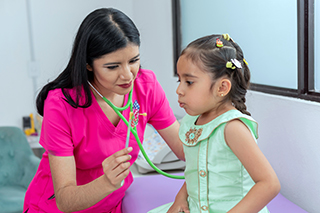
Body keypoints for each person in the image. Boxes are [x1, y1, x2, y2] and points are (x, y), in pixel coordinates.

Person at [23, 8, 184, 213]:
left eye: (133, 60)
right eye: (112, 67)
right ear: (88, 65)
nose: (128, 76)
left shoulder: (146, 86)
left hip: (109, 206)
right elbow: (64, 200)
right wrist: (107, 182)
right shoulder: (61, 104)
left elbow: (182, 147)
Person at [148, 34, 281, 213]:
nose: (179, 90)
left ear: (222, 88)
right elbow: (198, 170)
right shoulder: (191, 121)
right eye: (180, 81)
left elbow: (269, 184)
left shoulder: (233, 128)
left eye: (189, 82)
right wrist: (180, 199)